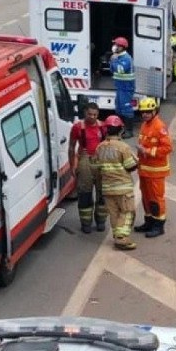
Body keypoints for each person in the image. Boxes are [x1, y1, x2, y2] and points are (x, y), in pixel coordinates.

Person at [95, 115, 139, 251]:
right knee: (127, 212)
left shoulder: (100, 147)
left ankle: (116, 235)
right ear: (121, 130)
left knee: (114, 214)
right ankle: (122, 238)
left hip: (107, 188)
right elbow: (130, 166)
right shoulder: (123, 147)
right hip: (123, 188)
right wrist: (138, 159)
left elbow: (96, 166)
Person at [132, 97, 172, 239]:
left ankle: (159, 225)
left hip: (156, 171)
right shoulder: (145, 125)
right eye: (143, 112)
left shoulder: (159, 126)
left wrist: (147, 152)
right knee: (146, 197)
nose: (145, 114)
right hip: (144, 169)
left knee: (156, 198)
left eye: (148, 112)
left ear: (154, 111)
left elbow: (167, 148)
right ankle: (149, 221)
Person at [69, 102, 107, 234]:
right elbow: (71, 147)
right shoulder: (77, 127)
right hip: (84, 160)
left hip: (101, 160)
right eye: (90, 114)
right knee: (85, 193)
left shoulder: (103, 126)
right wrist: (72, 165)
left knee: (103, 193)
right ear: (85, 113)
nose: (92, 117)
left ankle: (101, 221)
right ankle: (86, 223)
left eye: (95, 115)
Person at [110, 37, 136, 135]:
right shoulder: (118, 57)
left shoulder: (126, 58)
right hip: (120, 87)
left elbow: (120, 69)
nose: (115, 47)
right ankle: (121, 128)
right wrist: (113, 59)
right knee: (119, 108)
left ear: (122, 47)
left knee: (126, 108)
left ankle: (129, 131)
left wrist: (114, 60)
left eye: (117, 45)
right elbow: (112, 70)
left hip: (126, 87)